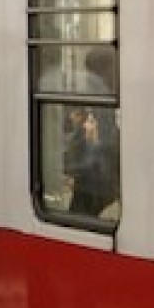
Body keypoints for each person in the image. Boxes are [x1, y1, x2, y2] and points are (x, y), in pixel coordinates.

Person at [63, 46, 120, 219]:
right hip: (102, 179)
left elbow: (100, 145)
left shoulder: (100, 97)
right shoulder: (108, 95)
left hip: (95, 181)